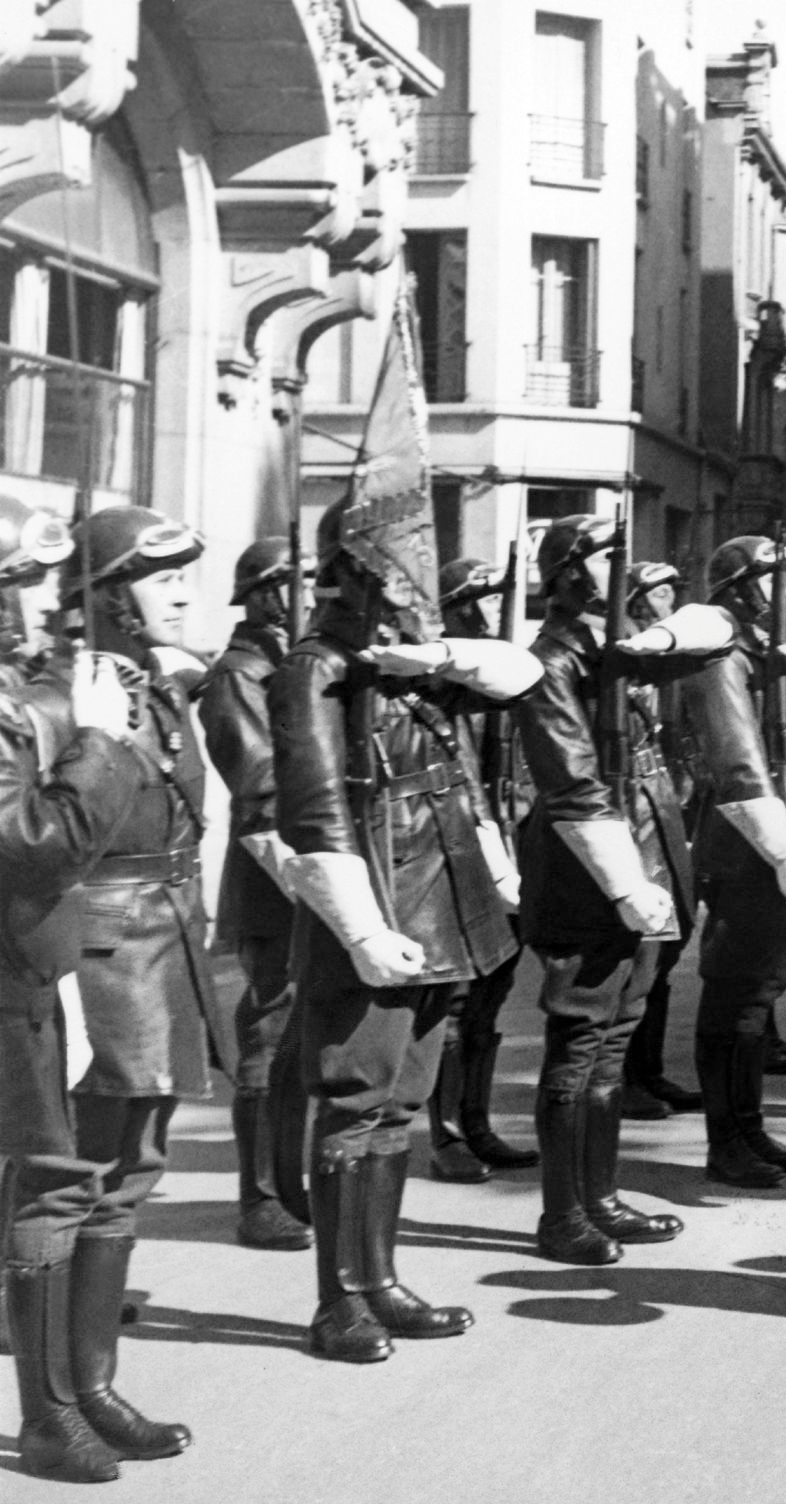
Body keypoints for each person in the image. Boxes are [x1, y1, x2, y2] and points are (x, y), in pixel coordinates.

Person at [274, 501, 542, 1359]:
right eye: (396, 565)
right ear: (354, 573)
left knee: (400, 1106)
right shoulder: (315, 671)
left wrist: (437, 655)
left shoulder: (409, 663)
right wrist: (360, 930)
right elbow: (315, 819)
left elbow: (519, 678)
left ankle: (380, 1280)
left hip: (442, 908)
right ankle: (339, 1301)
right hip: (379, 915)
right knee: (355, 1104)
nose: (413, 582)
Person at [45, 506, 230, 1435]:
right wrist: (96, 735)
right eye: (163, 578)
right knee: (84, 1172)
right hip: (104, 955)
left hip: (164, 943)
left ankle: (88, 1381)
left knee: (131, 1168)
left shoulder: (156, 686)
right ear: (110, 599)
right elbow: (54, 843)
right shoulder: (75, 701)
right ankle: (71, 1396)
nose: (186, 591)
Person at [1, 496, 169, 1482]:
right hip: (10, 971)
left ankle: (68, 1399)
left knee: (51, 1185)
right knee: (47, 1187)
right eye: (15, 584)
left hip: (29, 968)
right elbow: (33, 850)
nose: (32, 606)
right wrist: (100, 740)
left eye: (32, 584)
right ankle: (48, 1416)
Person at [517, 517, 720, 1258]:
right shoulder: (551, 662)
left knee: (612, 1045)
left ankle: (599, 1196)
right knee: (578, 1044)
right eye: (607, 556)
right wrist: (625, 883)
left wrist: (651, 643)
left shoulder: (611, 650)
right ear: (569, 573)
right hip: (586, 875)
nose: (622, 566)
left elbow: (714, 631)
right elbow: (573, 787)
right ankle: (562, 1214)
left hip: (637, 866)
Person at [685, 535, 786, 1185]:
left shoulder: (761, 656)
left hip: (776, 842)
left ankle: (749, 1130)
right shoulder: (722, 659)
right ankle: (726, 1144)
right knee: (733, 999)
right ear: (741, 589)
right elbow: (740, 762)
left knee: (756, 1000)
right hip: (747, 850)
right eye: (775, 579)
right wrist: (782, 852)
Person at [195, 537, 316, 1250]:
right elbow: (260, 781)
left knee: (300, 1032)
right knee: (270, 1028)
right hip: (275, 871)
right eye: (297, 584)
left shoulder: (287, 663)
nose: (310, 595)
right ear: (267, 592)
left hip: (311, 860)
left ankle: (288, 1184)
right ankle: (260, 1197)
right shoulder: (240, 673)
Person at [420, 559, 542, 1179]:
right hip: (467, 851)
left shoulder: (498, 669)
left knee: (490, 1000)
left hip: (510, 848)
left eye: (492, 602)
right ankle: (446, 1137)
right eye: (474, 603)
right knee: (456, 1004)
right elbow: (465, 777)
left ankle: (476, 1122)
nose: (488, 614)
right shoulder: (443, 682)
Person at [617, 561, 708, 1120]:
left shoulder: (667, 654)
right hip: (630, 813)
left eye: (673, 589)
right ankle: (626, 1077)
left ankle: (648, 1072)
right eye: (658, 591)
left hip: (667, 804)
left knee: (667, 948)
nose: (668, 599)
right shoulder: (624, 653)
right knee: (639, 953)